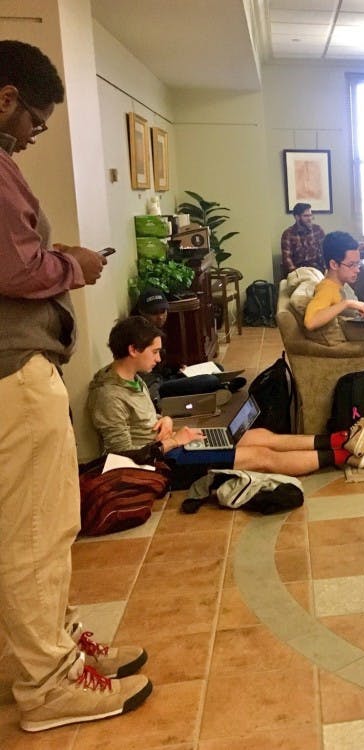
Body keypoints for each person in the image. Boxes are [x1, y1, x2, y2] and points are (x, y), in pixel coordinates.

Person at [0, 40, 153, 732]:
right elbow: (16, 268)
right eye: (34, 119)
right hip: (12, 373)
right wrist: (75, 264)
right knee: (36, 531)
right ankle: (49, 685)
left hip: (17, 369)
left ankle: (51, 653)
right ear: (6, 98)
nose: (35, 134)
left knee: (32, 529)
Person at [87, 317, 364, 476]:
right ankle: (344, 455)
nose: (159, 357)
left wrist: (164, 420)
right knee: (261, 457)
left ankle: (339, 438)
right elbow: (123, 457)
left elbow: (143, 421)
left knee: (259, 435)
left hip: (169, 444)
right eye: (154, 351)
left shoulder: (133, 377)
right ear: (132, 351)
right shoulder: (108, 396)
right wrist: (174, 441)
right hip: (161, 466)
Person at [131, 287, 245, 405]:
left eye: (163, 311)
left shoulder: (161, 328)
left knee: (216, 367)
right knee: (209, 379)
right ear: (142, 312)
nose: (160, 317)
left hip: (170, 375)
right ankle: (219, 388)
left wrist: (178, 367)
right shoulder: (139, 336)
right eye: (154, 313)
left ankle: (219, 387)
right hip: (158, 384)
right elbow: (147, 377)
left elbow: (166, 361)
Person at [304, 231, 364, 331]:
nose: (357, 270)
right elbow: (310, 322)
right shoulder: (327, 289)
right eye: (351, 265)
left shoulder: (342, 284)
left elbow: (355, 314)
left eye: (357, 264)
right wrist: (347, 303)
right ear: (334, 265)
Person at [280, 202, 326, 276]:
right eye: (306, 216)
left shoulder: (318, 230)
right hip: (298, 271)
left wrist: (327, 269)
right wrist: (296, 274)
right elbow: (287, 259)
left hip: (318, 271)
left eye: (311, 215)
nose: (310, 219)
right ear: (297, 217)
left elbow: (326, 251)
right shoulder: (288, 234)